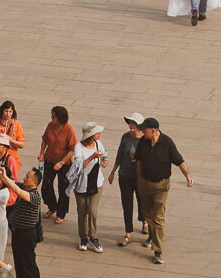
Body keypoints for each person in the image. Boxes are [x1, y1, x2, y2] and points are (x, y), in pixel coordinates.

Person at [132, 118, 191, 265]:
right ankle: (152, 235)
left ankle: (158, 251)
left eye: (145, 130)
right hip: (144, 184)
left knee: (158, 218)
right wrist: (138, 179)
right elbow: (139, 160)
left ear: (154, 131)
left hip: (161, 186)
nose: (142, 132)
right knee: (147, 214)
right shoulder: (143, 142)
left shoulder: (167, 143)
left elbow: (179, 160)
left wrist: (188, 176)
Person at [107, 114, 145, 247]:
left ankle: (144, 220)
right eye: (129, 122)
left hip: (140, 178)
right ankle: (128, 232)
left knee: (142, 201)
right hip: (125, 175)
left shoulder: (145, 139)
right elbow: (119, 155)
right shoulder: (125, 137)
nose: (130, 125)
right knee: (127, 204)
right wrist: (112, 172)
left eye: (133, 123)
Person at [69, 122, 108, 252]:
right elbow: (80, 165)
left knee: (92, 210)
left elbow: (102, 160)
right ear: (91, 135)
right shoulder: (79, 147)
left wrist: (104, 162)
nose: (100, 134)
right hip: (82, 183)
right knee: (82, 211)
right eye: (97, 132)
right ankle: (83, 237)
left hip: (96, 182)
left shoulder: (99, 144)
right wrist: (92, 156)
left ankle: (94, 237)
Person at [7, 165, 45, 278]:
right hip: (17, 233)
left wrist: (4, 177)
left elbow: (17, 191)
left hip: (26, 235)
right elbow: (12, 183)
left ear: (34, 182)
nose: (24, 178)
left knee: (28, 264)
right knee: (19, 262)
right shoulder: (24, 188)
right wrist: (2, 175)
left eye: (27, 177)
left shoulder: (34, 196)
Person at [39, 106, 75, 224]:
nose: (51, 118)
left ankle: (61, 213)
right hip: (50, 160)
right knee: (45, 186)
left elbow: (72, 150)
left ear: (60, 118)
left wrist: (62, 162)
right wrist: (41, 154)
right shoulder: (50, 126)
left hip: (64, 164)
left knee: (63, 188)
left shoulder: (69, 129)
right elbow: (44, 140)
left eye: (53, 116)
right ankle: (52, 206)